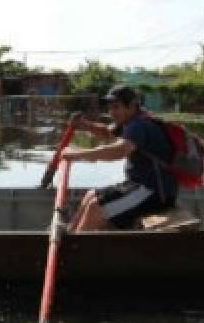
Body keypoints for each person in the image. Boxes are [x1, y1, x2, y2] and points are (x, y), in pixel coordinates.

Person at [61, 85, 177, 232]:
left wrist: (76, 154)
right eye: (110, 108)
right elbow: (107, 133)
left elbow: (119, 151)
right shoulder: (132, 121)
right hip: (140, 186)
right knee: (91, 195)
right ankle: (70, 235)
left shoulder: (139, 125)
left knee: (95, 207)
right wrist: (84, 125)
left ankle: (75, 250)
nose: (111, 112)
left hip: (154, 194)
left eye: (116, 107)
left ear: (132, 106)